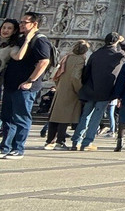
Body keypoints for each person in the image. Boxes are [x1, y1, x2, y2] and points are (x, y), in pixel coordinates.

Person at [1, 12, 54, 159]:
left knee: (21, 117)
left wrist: (30, 81)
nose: (21, 24)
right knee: (7, 117)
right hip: (12, 85)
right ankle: (5, 147)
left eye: (25, 22)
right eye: (21, 22)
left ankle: (18, 149)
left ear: (34, 24)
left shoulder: (39, 40)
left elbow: (44, 62)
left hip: (25, 87)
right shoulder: (21, 38)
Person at [72, 32, 125, 150]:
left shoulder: (95, 54)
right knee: (96, 117)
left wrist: (86, 86)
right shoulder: (118, 54)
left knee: (85, 116)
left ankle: (76, 141)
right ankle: (87, 142)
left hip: (90, 89)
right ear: (116, 41)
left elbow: (86, 72)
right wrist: (123, 42)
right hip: (105, 92)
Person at [44, 40, 90, 149]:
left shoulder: (67, 57)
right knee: (65, 117)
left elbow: (57, 73)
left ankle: (49, 141)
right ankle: (60, 142)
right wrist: (79, 90)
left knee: (55, 116)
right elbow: (75, 77)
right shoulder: (80, 60)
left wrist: (60, 84)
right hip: (71, 91)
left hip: (61, 88)